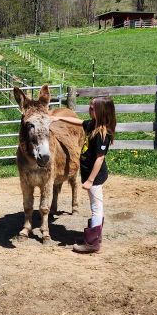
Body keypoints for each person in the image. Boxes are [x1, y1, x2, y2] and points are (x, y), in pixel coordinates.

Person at [56, 96, 116, 254]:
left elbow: (100, 158)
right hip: (90, 175)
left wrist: (90, 180)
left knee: (96, 208)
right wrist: (60, 117)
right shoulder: (92, 124)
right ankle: (94, 237)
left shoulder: (103, 133)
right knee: (95, 206)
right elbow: (80, 123)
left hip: (95, 177)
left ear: (101, 112)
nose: (89, 110)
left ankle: (92, 243)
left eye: (92, 108)